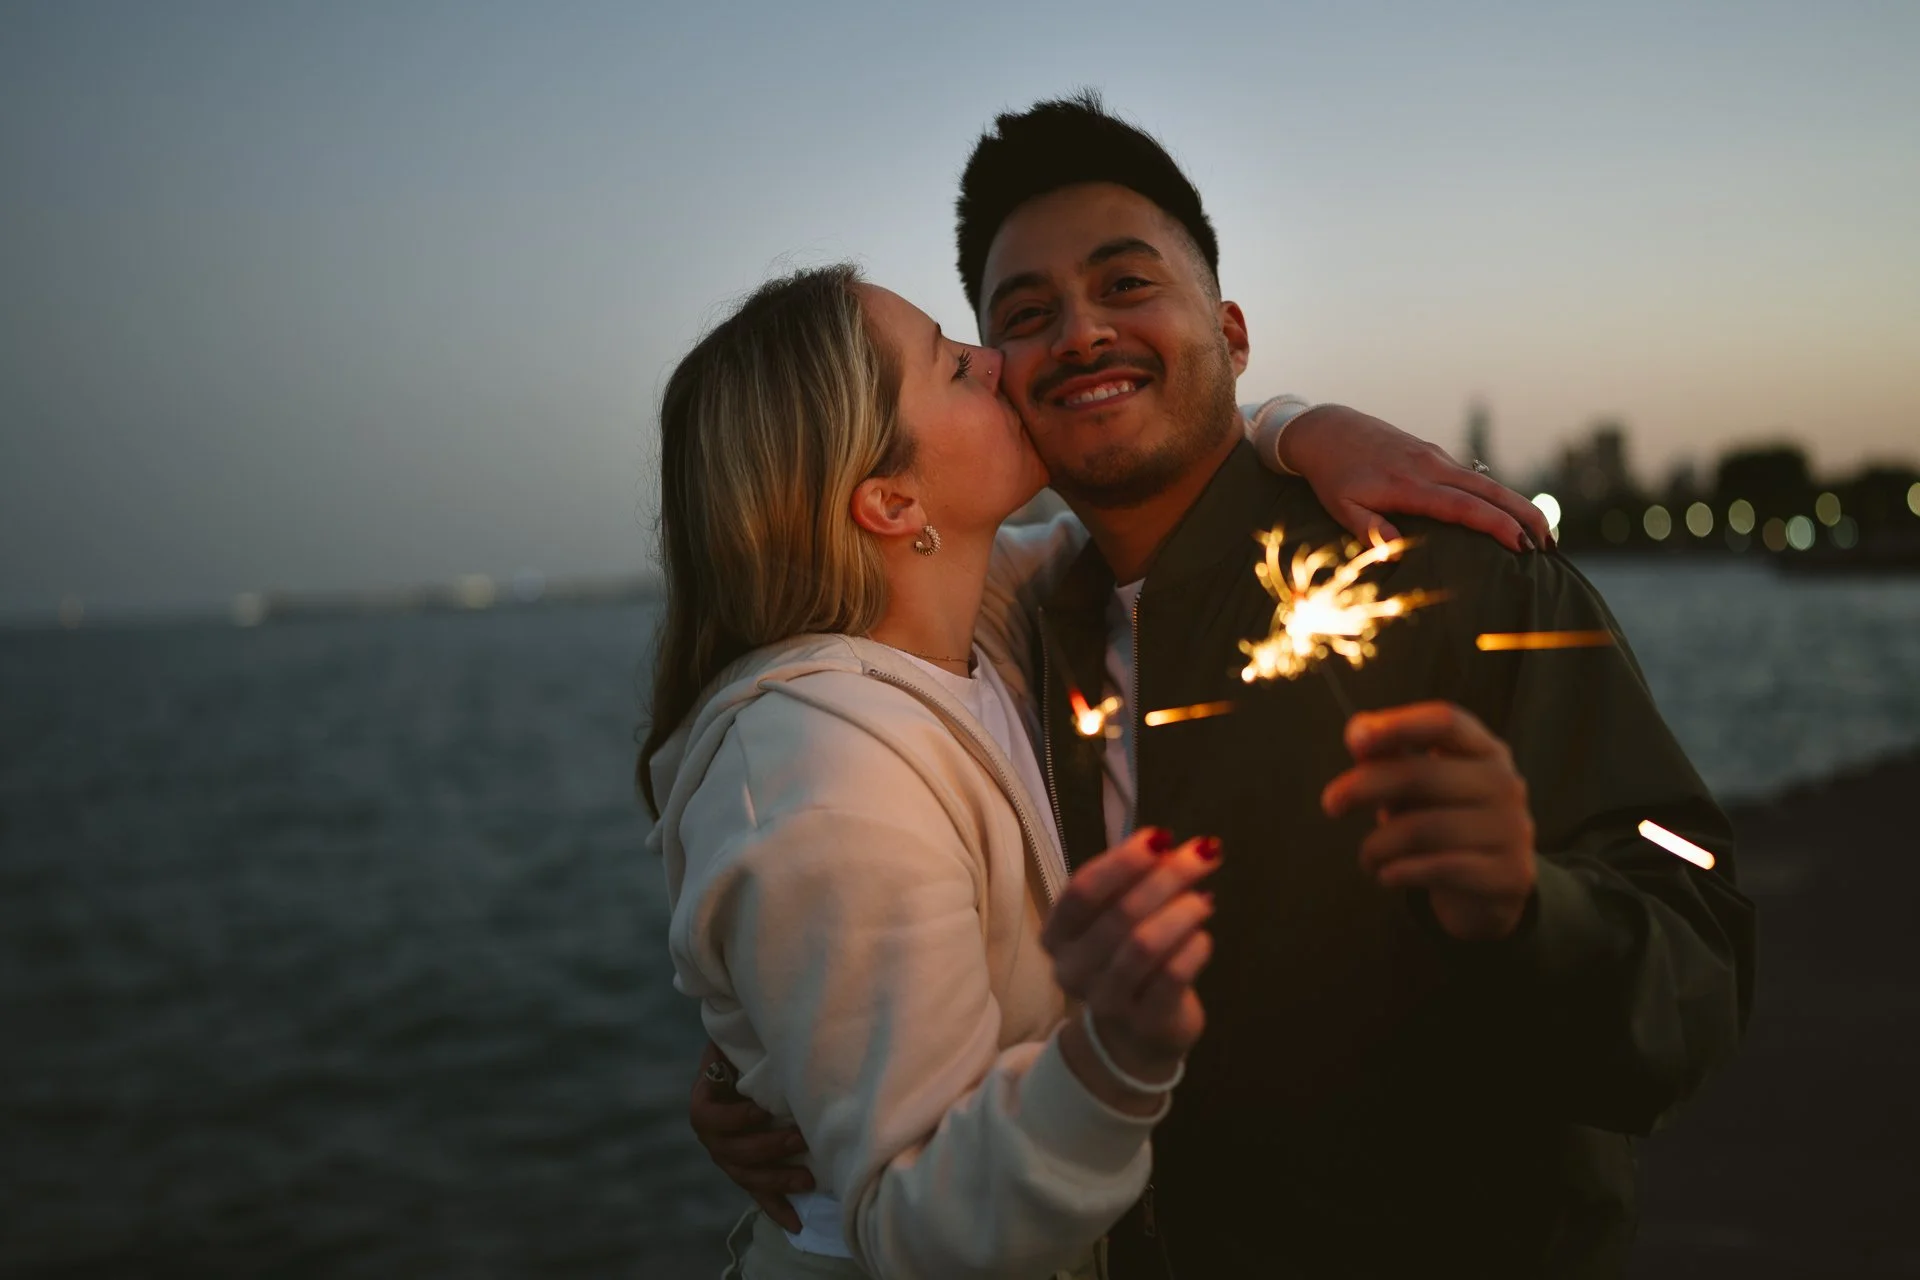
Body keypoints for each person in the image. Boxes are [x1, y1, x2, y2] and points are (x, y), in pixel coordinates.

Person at [692, 94, 1757, 1277]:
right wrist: (787, 1052)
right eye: (1026, 315)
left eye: (1128, 284)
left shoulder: (1455, 577)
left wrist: (1525, 906)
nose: (1082, 333)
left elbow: (1696, 981)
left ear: (1233, 331)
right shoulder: (1020, 632)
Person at [647, 259, 1546, 1279]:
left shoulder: (971, 618)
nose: (996, 362)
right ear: (892, 501)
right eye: (951, 365)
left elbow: (1168, 506)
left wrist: (1299, 426)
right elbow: (916, 1222)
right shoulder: (823, 777)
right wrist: (1117, 1049)